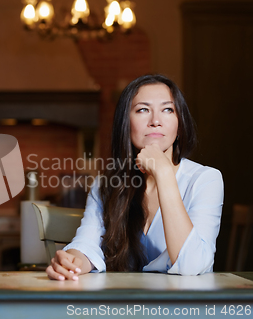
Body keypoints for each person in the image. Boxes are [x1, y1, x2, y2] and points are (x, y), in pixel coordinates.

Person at [46, 74, 224, 280]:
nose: (155, 121)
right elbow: (87, 243)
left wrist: (164, 173)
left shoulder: (205, 179)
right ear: (126, 122)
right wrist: (70, 262)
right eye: (143, 110)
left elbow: (191, 264)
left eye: (168, 109)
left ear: (180, 123)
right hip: (124, 305)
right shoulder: (106, 184)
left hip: (186, 307)